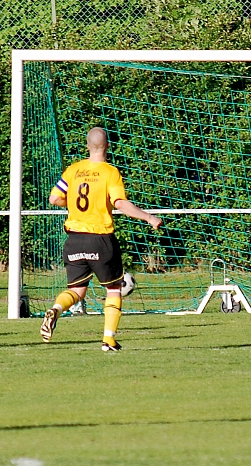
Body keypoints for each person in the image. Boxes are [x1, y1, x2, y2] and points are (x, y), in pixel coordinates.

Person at [41, 127, 163, 351]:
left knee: (77, 291)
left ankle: (57, 309)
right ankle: (108, 339)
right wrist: (148, 217)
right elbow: (120, 203)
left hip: (74, 240)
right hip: (100, 239)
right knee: (114, 289)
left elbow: (54, 198)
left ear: (87, 146)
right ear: (107, 146)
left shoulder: (73, 170)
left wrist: (71, 206)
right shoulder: (110, 172)